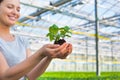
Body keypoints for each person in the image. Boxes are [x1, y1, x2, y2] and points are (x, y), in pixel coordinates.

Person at [0, 0, 72, 80]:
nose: (15, 12)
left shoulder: (22, 41)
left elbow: (31, 75)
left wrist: (50, 56)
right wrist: (40, 53)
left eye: (18, 10)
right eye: (10, 7)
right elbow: (4, 76)